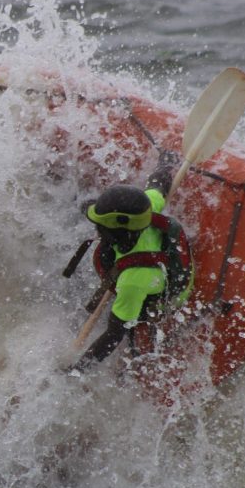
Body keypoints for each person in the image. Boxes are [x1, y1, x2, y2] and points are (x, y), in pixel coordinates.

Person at [74, 150, 194, 367]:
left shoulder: (131, 282)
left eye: (99, 226)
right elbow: (158, 186)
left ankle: (142, 328)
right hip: (148, 267)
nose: (96, 229)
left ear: (114, 233)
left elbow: (112, 336)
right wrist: (165, 164)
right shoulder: (145, 211)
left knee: (127, 323)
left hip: (160, 291)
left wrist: (78, 368)